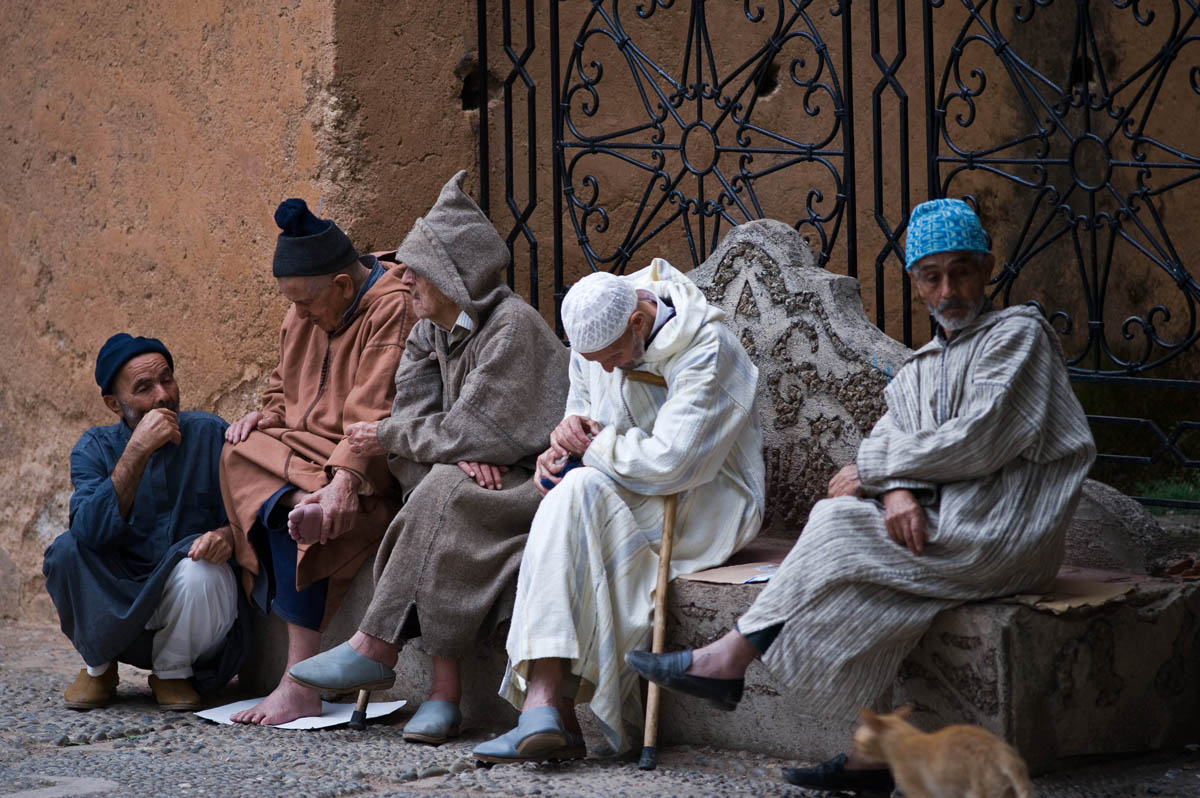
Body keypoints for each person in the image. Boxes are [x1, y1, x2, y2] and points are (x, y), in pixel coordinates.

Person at [626, 198, 1097, 793]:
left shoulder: (1019, 336)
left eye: (962, 271)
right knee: (872, 578)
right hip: (940, 530)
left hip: (1007, 533)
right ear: (916, 283)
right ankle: (870, 759)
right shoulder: (922, 365)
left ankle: (728, 659)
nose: (948, 288)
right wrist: (896, 486)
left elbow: (978, 439)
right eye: (932, 275)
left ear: (988, 269)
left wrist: (876, 472)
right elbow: (889, 438)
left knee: (838, 524)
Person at [287, 171, 570, 746]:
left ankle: (383, 652)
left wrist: (416, 440)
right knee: (439, 489)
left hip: (533, 483)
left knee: (440, 492)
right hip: (463, 482)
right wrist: (444, 450)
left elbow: (447, 431)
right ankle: (438, 697)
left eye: (418, 267)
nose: (404, 277)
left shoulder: (511, 326)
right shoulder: (427, 332)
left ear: (454, 273)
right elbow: (423, 434)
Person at [469, 260, 766, 763]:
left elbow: (675, 462)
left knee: (574, 496)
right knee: (572, 493)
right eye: (592, 359)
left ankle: (548, 708)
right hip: (615, 481)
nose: (604, 368)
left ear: (638, 322)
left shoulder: (708, 347)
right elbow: (581, 407)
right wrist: (562, 443)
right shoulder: (599, 332)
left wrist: (592, 447)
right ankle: (547, 709)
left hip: (707, 502)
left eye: (611, 357)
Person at [220, 199, 415, 725]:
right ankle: (302, 499)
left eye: (305, 303)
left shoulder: (392, 308)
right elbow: (281, 386)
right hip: (300, 457)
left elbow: (378, 412)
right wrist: (265, 417)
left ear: (343, 286)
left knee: (301, 521)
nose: (299, 315)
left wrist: (343, 482)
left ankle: (298, 682)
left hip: (358, 461)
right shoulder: (305, 304)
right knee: (234, 445)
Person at [43, 334, 244, 711]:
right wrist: (136, 451)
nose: (163, 396)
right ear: (114, 404)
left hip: (189, 614)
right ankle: (99, 667)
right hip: (117, 606)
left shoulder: (210, 434)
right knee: (65, 551)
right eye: (144, 388)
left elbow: (252, 513)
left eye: (166, 380)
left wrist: (228, 535)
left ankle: (173, 673)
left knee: (204, 570)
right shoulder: (95, 447)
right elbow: (89, 532)